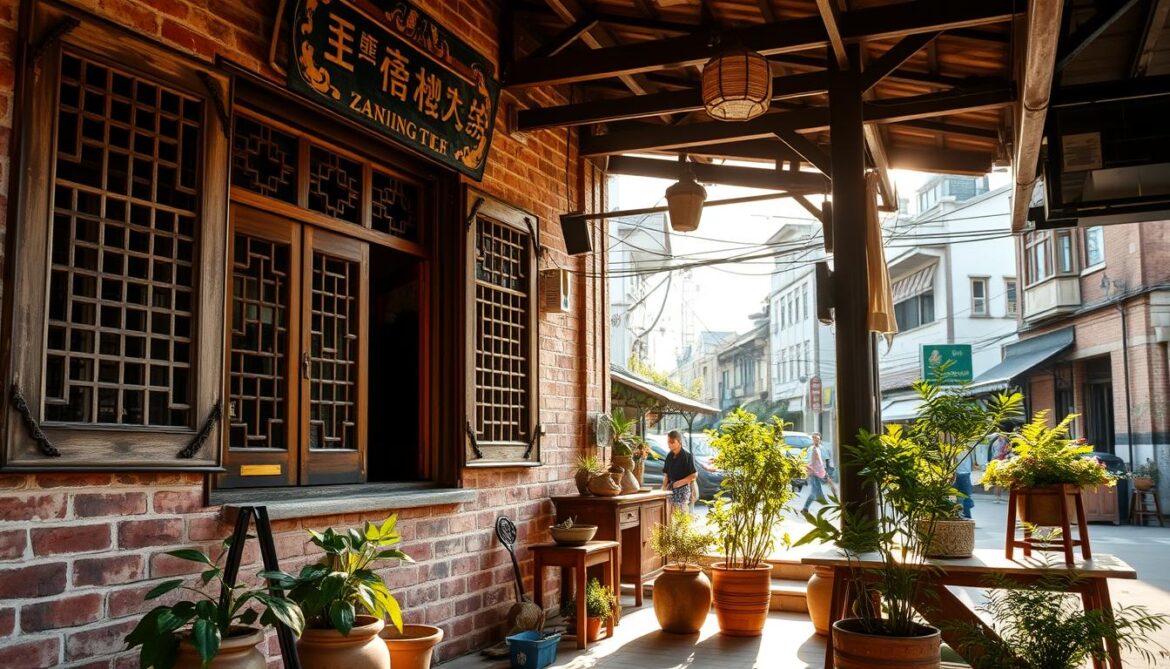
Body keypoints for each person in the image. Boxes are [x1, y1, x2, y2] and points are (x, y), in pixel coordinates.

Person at [661, 430, 698, 513]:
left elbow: (694, 475)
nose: (670, 444)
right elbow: (666, 475)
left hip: (683, 490)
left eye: (672, 442)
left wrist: (679, 483)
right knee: (669, 513)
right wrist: (663, 488)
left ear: (679, 442)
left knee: (681, 514)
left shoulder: (687, 456)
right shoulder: (669, 455)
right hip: (670, 489)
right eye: (668, 442)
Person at [800, 432, 832, 513]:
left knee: (818, 488)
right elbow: (811, 461)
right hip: (814, 472)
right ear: (812, 439)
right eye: (814, 438)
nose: (816, 440)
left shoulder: (820, 448)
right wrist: (809, 470)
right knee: (814, 492)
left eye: (817, 438)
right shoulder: (812, 449)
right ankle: (805, 508)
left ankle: (823, 501)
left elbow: (823, 461)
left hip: (819, 471)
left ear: (820, 439)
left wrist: (825, 472)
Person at [954, 446, 975, 519]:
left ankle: (964, 514)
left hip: (959, 472)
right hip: (963, 472)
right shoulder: (966, 447)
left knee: (958, 495)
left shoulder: (958, 447)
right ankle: (966, 514)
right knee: (966, 495)